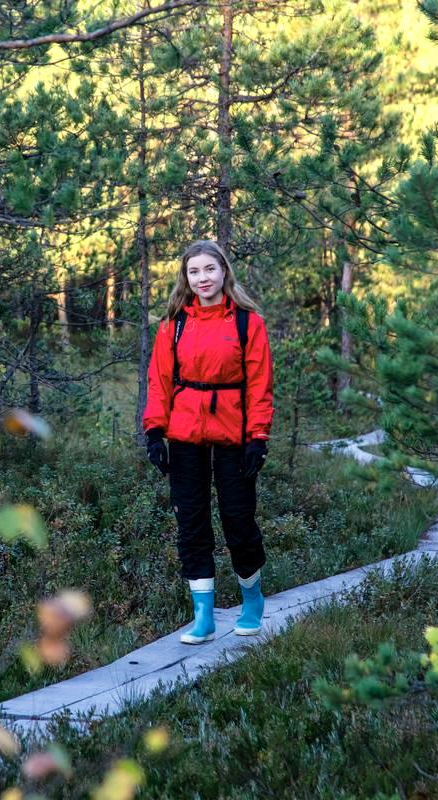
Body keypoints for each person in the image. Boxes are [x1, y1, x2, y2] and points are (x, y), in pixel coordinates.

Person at [141, 239, 274, 644]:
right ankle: (204, 616)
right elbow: (160, 381)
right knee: (191, 523)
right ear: (185, 277)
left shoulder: (248, 322)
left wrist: (258, 438)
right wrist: (153, 432)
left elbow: (260, 385)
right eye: (194, 271)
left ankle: (252, 600)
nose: (202, 279)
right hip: (184, 433)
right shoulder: (173, 323)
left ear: (224, 272)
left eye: (209, 270)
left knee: (238, 518)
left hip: (234, 432)